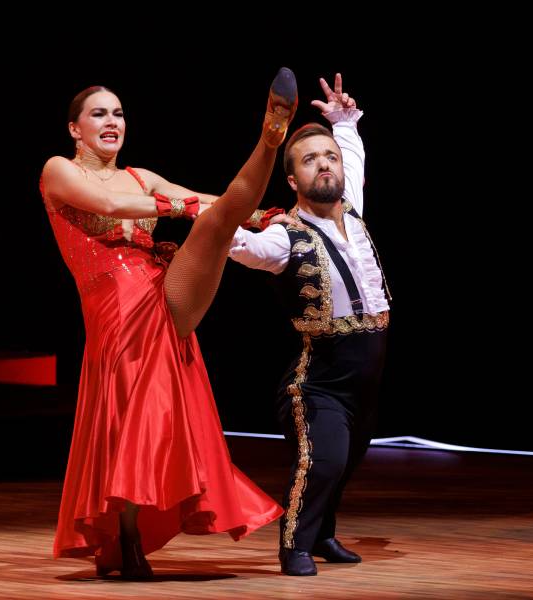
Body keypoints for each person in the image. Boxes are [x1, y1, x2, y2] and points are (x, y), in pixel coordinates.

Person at [39, 68, 298, 579]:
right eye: (99, 113)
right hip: (115, 313)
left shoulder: (142, 176)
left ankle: (270, 138)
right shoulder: (58, 170)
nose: (112, 121)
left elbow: (207, 200)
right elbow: (110, 205)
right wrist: (184, 208)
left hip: (161, 294)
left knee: (219, 217)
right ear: (75, 129)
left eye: (118, 113)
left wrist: (259, 218)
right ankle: (127, 533)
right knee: (133, 419)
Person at [228, 74, 391, 576]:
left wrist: (343, 121)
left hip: (366, 380)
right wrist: (219, 220)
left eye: (329, 157)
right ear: (294, 181)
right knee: (323, 461)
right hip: (318, 384)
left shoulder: (354, 211)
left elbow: (354, 156)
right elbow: (240, 245)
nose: (325, 164)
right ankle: (294, 545)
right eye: (309, 160)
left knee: (346, 462)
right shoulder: (285, 237)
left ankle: (322, 535)